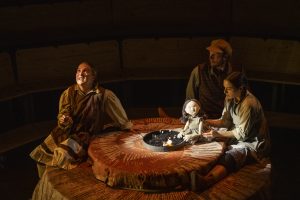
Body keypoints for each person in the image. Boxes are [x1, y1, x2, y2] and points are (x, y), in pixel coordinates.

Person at [30, 61, 132, 178]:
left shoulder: (104, 95)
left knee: (62, 155)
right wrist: (64, 120)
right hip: (66, 132)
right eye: (78, 70)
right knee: (40, 156)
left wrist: (125, 130)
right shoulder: (69, 93)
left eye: (85, 71)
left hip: (85, 136)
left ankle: (64, 184)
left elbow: (122, 120)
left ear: (93, 76)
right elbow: (63, 113)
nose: (80, 73)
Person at [190, 71, 271, 191]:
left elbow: (242, 134)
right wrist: (208, 121)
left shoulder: (249, 104)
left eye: (228, 88)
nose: (225, 91)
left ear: (241, 88)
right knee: (209, 138)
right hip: (237, 133)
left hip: (252, 142)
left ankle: (207, 180)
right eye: (224, 88)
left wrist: (217, 134)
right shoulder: (230, 98)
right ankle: (196, 170)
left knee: (232, 154)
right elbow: (225, 121)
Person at [186, 39, 241, 119]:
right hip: (204, 118)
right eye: (210, 52)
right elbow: (189, 99)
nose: (211, 56)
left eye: (216, 54)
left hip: (229, 119)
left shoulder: (236, 73)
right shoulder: (199, 71)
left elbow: (244, 99)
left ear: (225, 57)